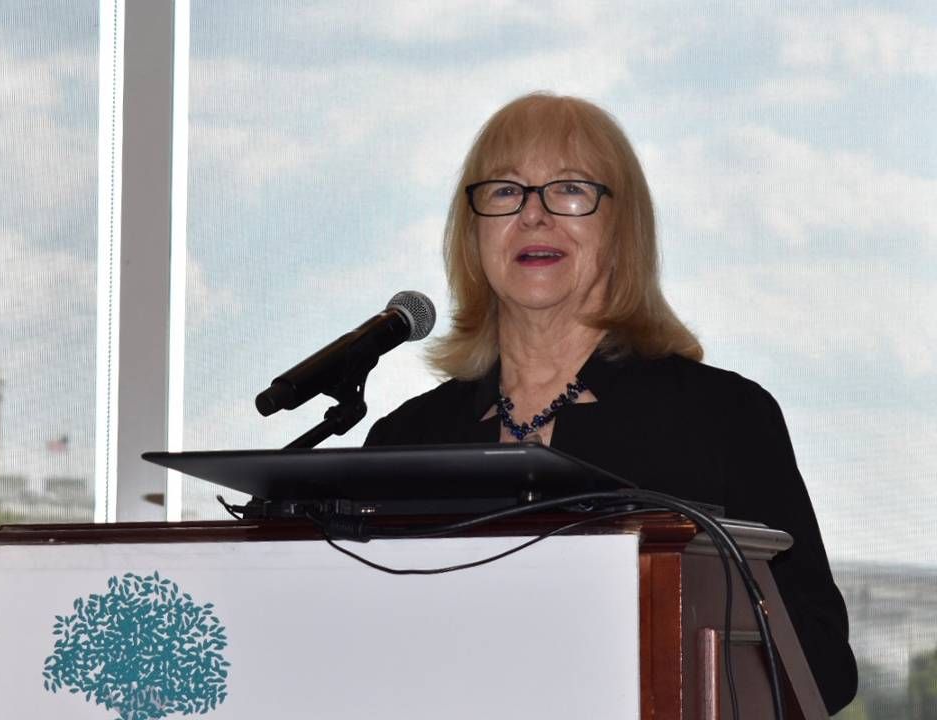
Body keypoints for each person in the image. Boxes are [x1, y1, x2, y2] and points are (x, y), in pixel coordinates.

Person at [363, 92, 857, 713]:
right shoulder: (406, 440)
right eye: (505, 192)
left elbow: (822, 667)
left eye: (570, 190)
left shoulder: (724, 418)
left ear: (623, 230)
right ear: (473, 232)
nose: (534, 216)